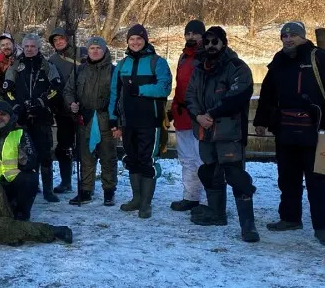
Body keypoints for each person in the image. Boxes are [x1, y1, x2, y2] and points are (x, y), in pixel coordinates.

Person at [254, 22, 325, 246]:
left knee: (318, 180)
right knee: (287, 178)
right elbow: (267, 94)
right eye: (284, 36)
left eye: (293, 35)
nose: (288, 39)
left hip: (316, 129)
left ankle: (322, 226)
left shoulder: (320, 58)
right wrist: (261, 121)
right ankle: (290, 218)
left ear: (303, 37)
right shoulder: (278, 61)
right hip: (285, 130)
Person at [186, 26, 259, 242]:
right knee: (209, 172)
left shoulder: (237, 67)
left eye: (215, 42)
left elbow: (239, 95)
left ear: (224, 43)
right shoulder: (199, 69)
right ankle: (217, 213)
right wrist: (198, 115)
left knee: (237, 177)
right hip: (205, 131)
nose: (210, 46)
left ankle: (248, 225)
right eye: (207, 42)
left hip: (229, 133)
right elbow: (190, 95)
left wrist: (212, 113)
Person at [108, 24, 172, 218]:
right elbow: (114, 93)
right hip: (128, 122)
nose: (135, 42)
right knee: (132, 159)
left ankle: (146, 203)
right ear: (127, 42)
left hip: (150, 121)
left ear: (145, 40)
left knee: (147, 161)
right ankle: (136, 198)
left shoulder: (157, 62)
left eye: (139, 39)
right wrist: (113, 118)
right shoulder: (122, 65)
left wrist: (140, 90)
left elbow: (165, 88)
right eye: (131, 39)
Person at [3, 33, 62, 203]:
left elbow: (56, 88)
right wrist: (16, 106)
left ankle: (48, 190)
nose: (29, 49)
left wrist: (41, 101)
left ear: (38, 48)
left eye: (33, 46)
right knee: (24, 154)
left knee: (44, 153)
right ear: (23, 47)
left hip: (42, 116)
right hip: (21, 117)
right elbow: (7, 89)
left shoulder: (47, 65)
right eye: (27, 46)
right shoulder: (15, 65)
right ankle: (30, 186)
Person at [64, 37, 117, 206]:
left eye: (98, 48)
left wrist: (117, 121)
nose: (94, 51)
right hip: (84, 119)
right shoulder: (80, 70)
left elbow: (119, 97)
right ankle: (86, 190)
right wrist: (71, 103)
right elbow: (68, 90)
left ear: (104, 50)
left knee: (108, 157)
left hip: (106, 119)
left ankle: (109, 191)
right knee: (86, 157)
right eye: (92, 48)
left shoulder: (114, 71)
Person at [170, 20, 207, 212]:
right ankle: (191, 196)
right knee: (187, 158)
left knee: (203, 158)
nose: (191, 37)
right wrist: (173, 107)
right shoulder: (183, 57)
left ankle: (210, 200)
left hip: (200, 115)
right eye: (188, 34)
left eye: (195, 34)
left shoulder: (207, 56)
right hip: (182, 114)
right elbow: (180, 86)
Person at [47, 28, 79, 195]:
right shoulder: (52, 60)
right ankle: (66, 181)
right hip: (63, 110)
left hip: (82, 108)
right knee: (63, 147)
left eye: (61, 39)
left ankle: (87, 184)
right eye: (55, 40)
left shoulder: (82, 54)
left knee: (85, 147)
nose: (59, 42)